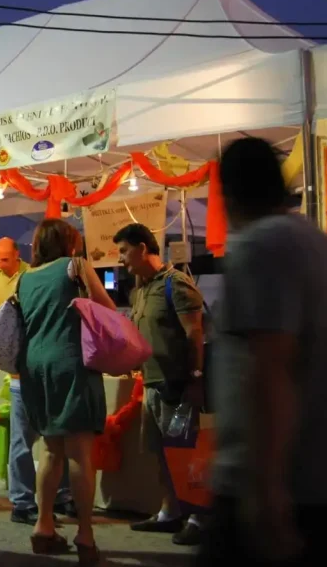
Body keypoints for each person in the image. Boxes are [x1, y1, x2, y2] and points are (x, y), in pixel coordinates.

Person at [197, 138, 327, 566]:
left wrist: (265, 487)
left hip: (273, 482)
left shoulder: (260, 246)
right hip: (309, 475)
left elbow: (270, 366)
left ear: (229, 195)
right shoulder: (313, 240)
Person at [18, 219, 114, 565]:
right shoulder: (76, 266)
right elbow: (108, 309)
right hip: (71, 362)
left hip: (34, 366)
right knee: (79, 454)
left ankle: (43, 528)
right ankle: (85, 536)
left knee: (49, 450)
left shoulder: (24, 278)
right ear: (69, 243)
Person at [0, 237, 73, 524]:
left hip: (27, 369)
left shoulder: (28, 279)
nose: (0, 264)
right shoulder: (45, 282)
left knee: (46, 441)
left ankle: (43, 499)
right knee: (44, 441)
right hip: (27, 370)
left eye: (5, 259)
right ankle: (30, 501)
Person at [114, 223, 206, 545]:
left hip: (177, 386)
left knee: (185, 454)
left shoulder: (176, 285)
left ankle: (197, 517)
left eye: (124, 251)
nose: (121, 259)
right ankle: (170, 512)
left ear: (142, 248)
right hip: (151, 385)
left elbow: (195, 334)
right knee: (160, 452)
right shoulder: (141, 290)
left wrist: (196, 379)